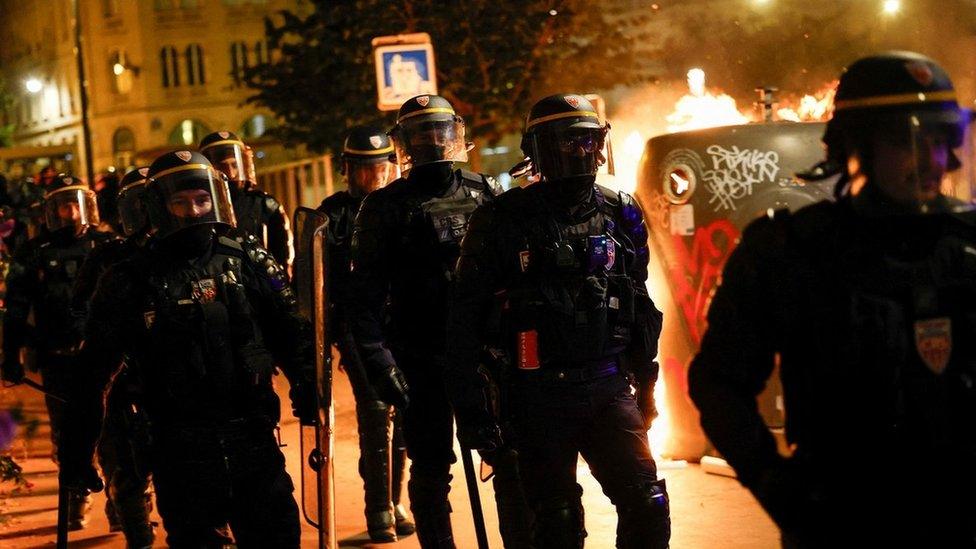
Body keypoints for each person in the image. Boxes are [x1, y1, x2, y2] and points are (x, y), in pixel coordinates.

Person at [688, 51, 976, 548]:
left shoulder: (969, 247)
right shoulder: (791, 252)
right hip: (846, 524)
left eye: (938, 140)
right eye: (904, 141)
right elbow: (719, 381)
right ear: (855, 146)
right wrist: (777, 487)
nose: (930, 160)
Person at [446, 94, 671, 549]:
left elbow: (639, 303)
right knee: (556, 521)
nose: (582, 152)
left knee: (648, 503)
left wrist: (646, 385)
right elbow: (464, 320)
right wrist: (471, 410)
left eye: (590, 141)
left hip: (609, 387)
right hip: (536, 394)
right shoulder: (500, 220)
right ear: (540, 148)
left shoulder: (620, 211)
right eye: (570, 142)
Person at [60, 151, 316, 548]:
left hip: (253, 437)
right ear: (158, 208)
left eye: (202, 200)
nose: (194, 212)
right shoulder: (129, 278)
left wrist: (307, 381)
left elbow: (290, 329)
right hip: (179, 448)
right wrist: (78, 452)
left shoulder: (245, 256)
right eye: (180, 203)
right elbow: (92, 372)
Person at [349, 94, 507, 548]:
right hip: (421, 356)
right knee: (432, 467)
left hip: (483, 354)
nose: (434, 142)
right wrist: (381, 365)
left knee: (507, 457)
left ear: (455, 134)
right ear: (406, 143)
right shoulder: (383, 208)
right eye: (422, 134)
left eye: (440, 132)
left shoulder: (482, 193)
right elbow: (363, 300)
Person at [315, 126, 414, 541]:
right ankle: (378, 509)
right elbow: (320, 281)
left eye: (381, 169)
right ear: (348, 171)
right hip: (359, 327)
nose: (375, 179)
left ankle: (395, 499)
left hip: (404, 324)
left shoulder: (404, 204)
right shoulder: (333, 213)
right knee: (376, 414)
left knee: (408, 414)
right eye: (365, 171)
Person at [1, 174, 115, 530]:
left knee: (115, 431)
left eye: (77, 202)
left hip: (109, 358)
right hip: (59, 357)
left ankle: (124, 500)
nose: (72, 212)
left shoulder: (107, 244)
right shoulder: (34, 253)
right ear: (51, 210)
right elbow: (17, 309)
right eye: (63, 204)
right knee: (68, 434)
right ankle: (76, 496)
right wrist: (11, 356)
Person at [71, 167, 155, 547]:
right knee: (127, 470)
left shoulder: (203, 252)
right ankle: (139, 536)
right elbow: (80, 310)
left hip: (179, 387)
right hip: (122, 383)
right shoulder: (108, 259)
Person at [199, 131, 292, 269]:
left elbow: (284, 259)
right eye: (222, 167)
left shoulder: (265, 205)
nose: (230, 174)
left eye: (235, 165)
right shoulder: (200, 208)